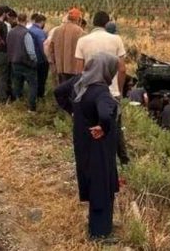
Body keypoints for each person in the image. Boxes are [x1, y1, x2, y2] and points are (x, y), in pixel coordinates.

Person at [54, 53, 120, 244]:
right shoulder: (101, 92)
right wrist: (103, 127)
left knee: (92, 180)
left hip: (82, 141)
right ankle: (100, 233)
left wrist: (72, 111)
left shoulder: (79, 81)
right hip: (98, 145)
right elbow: (106, 115)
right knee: (102, 183)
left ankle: (97, 225)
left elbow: (58, 91)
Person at [75, 11, 129, 165]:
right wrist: (119, 90)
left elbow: (79, 72)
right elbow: (122, 69)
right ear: (107, 24)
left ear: (93, 23)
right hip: (111, 92)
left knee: (92, 128)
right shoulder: (116, 39)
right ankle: (119, 161)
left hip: (89, 93)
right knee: (114, 128)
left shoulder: (82, 41)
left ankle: (94, 161)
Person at [7, 13, 38, 112]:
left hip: (14, 62)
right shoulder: (26, 33)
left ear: (17, 20)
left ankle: (17, 104)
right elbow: (31, 51)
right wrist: (35, 61)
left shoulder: (11, 32)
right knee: (32, 85)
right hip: (26, 63)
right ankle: (31, 108)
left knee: (17, 84)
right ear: (26, 20)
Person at [48, 8, 84, 83]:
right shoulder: (80, 31)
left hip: (60, 67)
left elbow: (50, 49)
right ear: (78, 19)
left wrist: (53, 62)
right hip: (74, 68)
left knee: (62, 89)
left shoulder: (57, 30)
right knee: (72, 90)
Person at [28, 14, 50, 99]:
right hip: (40, 60)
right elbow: (43, 47)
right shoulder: (40, 32)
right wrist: (47, 59)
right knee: (41, 80)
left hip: (30, 59)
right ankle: (40, 96)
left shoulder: (28, 30)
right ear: (42, 22)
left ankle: (32, 95)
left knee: (33, 79)